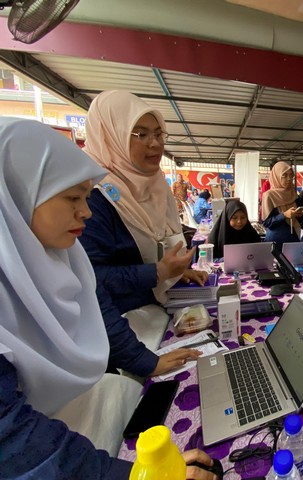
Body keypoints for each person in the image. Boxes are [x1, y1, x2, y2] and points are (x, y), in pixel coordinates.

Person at [0, 117, 218, 479]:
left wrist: (144, 361)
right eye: (73, 197)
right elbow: (19, 449)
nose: (85, 211)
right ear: (17, 193)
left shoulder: (62, 252)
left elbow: (96, 305)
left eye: (86, 197)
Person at [80, 90, 205, 376]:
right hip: (119, 342)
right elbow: (87, 280)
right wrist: (157, 273)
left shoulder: (154, 184)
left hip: (153, 318)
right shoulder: (91, 196)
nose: (155, 143)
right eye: (141, 134)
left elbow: (147, 247)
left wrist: (175, 272)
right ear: (111, 135)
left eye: (159, 134)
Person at [261, 161, 303, 245]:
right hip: (276, 241)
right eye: (284, 176)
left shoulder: (293, 193)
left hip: (293, 239)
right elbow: (266, 223)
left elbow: (300, 219)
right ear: (277, 176)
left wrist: (298, 214)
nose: (289, 179)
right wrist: (284, 215)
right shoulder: (269, 195)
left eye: (291, 176)